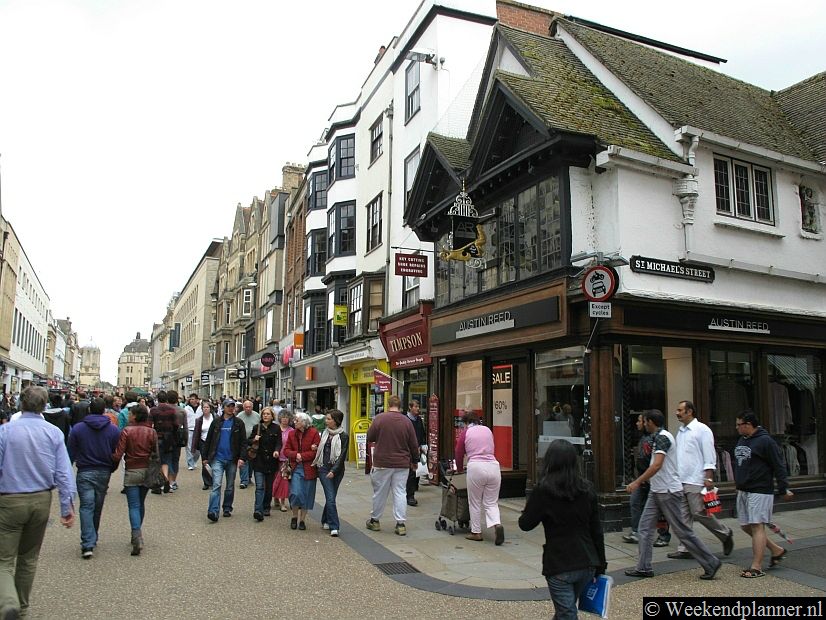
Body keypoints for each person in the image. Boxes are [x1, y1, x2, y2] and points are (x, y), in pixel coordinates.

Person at [0, 386, 75, 617]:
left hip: (9, 500)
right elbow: (63, 472)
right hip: (41, 499)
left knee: (3, 560)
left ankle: (7, 603)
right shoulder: (53, 433)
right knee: (28, 558)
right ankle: (21, 609)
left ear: (21, 403)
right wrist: (66, 505)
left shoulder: (5, 432)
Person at [624, 410, 721, 580]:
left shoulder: (663, 437)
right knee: (645, 528)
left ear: (651, 422)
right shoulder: (657, 437)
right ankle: (644, 567)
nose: (643, 424)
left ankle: (710, 561)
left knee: (682, 530)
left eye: (645, 421)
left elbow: (657, 465)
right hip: (657, 490)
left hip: (668, 491)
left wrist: (637, 482)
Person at [519, 440, 606, 619]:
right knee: (565, 611)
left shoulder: (544, 491)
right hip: (586, 561)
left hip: (559, 563)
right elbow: (596, 530)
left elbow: (525, 524)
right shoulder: (587, 489)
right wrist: (601, 564)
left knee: (566, 613)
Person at [669, 400, 734, 560]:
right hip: (682, 478)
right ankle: (685, 548)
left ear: (689, 411)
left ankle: (725, 533)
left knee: (699, 512)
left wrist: (708, 477)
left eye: (680, 410)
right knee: (683, 516)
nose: (677, 413)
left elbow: (709, 454)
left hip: (696, 479)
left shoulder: (702, 430)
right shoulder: (681, 431)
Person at [734, 410, 793, 578]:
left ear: (748, 425)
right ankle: (777, 550)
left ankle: (756, 566)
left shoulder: (765, 441)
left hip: (760, 489)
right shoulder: (742, 439)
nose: (736, 428)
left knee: (756, 526)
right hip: (744, 489)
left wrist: (783, 488)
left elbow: (778, 465)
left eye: (739, 425)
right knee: (745, 525)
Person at [67, 397, 120, 559]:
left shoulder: (78, 429)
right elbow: (116, 453)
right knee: (97, 505)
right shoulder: (112, 430)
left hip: (84, 470)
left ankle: (87, 542)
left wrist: (67, 471)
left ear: (89, 410)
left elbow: (70, 452)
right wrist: (112, 467)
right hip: (103, 471)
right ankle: (92, 537)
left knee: (86, 506)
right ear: (104, 410)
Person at [365, 394, 419, 536]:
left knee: (380, 493)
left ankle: (375, 521)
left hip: (382, 462)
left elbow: (370, 437)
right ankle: (400, 524)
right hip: (402, 463)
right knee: (400, 492)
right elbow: (414, 444)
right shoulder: (406, 422)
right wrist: (415, 461)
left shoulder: (380, 419)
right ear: (400, 406)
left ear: (388, 405)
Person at [112, 404, 157, 556]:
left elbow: (118, 454)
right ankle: (138, 533)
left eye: (131, 414)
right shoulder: (152, 432)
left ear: (136, 416)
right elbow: (156, 453)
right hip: (146, 470)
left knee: (133, 505)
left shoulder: (127, 431)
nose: (129, 416)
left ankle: (136, 534)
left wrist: (111, 464)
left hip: (132, 470)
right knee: (141, 503)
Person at [454, 410, 504, 545]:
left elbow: (458, 452)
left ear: (466, 422)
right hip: (493, 466)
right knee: (491, 502)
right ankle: (496, 524)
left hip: (476, 466)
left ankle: (476, 532)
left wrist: (459, 469)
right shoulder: (488, 430)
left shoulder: (466, 433)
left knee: (475, 501)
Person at [623, 412, 671, 547]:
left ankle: (664, 534)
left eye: (641, 421)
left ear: (649, 422)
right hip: (644, 477)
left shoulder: (660, 438)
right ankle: (637, 532)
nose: (639, 424)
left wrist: (641, 479)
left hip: (654, 480)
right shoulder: (644, 438)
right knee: (635, 502)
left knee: (665, 512)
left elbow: (656, 463)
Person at [201, 399, 247, 522]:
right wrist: (205, 457)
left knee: (230, 486)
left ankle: (227, 507)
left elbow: (243, 442)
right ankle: (213, 511)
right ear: (224, 407)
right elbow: (209, 439)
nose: (231, 408)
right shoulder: (216, 422)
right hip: (217, 458)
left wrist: (242, 458)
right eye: (229, 406)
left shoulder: (238, 423)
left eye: (233, 406)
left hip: (232, 459)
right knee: (216, 485)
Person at [312, 409, 349, 537]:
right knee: (331, 497)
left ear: (336, 420)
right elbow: (320, 447)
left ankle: (325, 519)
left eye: (328, 419)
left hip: (337, 471)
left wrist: (334, 471)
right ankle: (334, 526)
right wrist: (315, 447)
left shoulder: (344, 436)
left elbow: (342, 456)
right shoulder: (324, 433)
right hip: (323, 468)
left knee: (331, 497)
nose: (326, 421)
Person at [283, 411, 320, 531]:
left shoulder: (314, 433)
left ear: (304, 422)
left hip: (310, 468)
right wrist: (296, 455)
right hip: (296, 468)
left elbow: (316, 452)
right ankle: (294, 516)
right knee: (295, 492)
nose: (294, 422)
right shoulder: (292, 433)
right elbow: (286, 450)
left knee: (307, 494)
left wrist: (302, 456)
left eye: (297, 421)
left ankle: (302, 520)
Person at [248, 407, 282, 521]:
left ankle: (266, 506)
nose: (265, 416)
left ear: (272, 416)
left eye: (268, 414)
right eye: (264, 414)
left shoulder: (276, 428)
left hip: (271, 462)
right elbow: (249, 441)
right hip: (259, 461)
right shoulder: (256, 428)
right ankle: (258, 509)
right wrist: (254, 439)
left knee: (269, 487)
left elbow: (279, 442)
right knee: (260, 486)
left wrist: (277, 451)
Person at [149, 390, 183, 493]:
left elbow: (149, 424)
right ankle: (166, 479)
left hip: (157, 437)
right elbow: (176, 424)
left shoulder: (153, 410)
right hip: (169, 438)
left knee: (157, 460)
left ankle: (160, 482)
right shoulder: (171, 410)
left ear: (157, 399)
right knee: (166, 460)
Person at [405, 399, 427, 507]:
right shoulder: (405, 420)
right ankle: (410, 496)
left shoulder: (418, 419)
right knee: (411, 473)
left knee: (416, 471)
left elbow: (422, 433)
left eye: (418, 407)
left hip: (417, 449)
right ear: (410, 407)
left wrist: (423, 444)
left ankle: (413, 488)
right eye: (416, 406)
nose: (418, 409)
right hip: (407, 450)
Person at [272, 409, 294, 512]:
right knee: (274, 479)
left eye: (287, 417)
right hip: (275, 458)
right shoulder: (276, 429)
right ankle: (275, 497)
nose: (285, 419)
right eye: (283, 417)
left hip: (286, 460)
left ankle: (283, 503)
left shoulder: (292, 431)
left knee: (284, 480)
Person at [236, 400, 260, 489]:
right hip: (242, 442)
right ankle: (244, 481)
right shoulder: (239, 416)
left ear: (252, 407)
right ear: (243, 407)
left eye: (250, 407)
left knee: (251, 460)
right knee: (243, 460)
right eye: (246, 407)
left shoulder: (257, 416)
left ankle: (249, 477)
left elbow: (260, 426)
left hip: (253, 442)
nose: (248, 409)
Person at [192, 400, 215, 490]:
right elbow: (196, 433)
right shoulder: (199, 420)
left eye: (207, 407)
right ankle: (206, 482)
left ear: (210, 409)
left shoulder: (215, 418)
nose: (205, 409)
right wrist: (194, 447)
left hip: (213, 443)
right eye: (204, 407)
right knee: (205, 462)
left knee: (213, 461)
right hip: (203, 442)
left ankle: (214, 479)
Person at [184, 393, 201, 471]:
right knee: (189, 447)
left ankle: (194, 460)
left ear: (197, 400)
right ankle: (190, 463)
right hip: (189, 429)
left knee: (198, 449)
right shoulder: (186, 408)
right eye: (190, 399)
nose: (191, 400)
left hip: (199, 430)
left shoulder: (201, 408)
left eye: (193, 399)